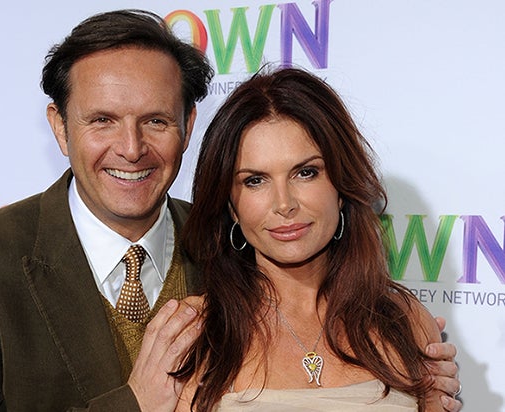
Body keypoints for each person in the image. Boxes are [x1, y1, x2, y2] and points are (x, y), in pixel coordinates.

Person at [0, 9, 461, 412]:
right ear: (59, 125)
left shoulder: (236, 242)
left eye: (155, 121)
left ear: (188, 125)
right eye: (102, 120)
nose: (131, 149)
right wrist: (132, 404)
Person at [174, 67, 461, 411]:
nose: (284, 204)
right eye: (255, 181)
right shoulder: (195, 334)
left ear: (341, 186)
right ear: (231, 206)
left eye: (306, 172)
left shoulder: (404, 321)